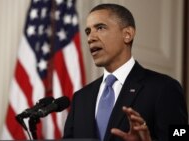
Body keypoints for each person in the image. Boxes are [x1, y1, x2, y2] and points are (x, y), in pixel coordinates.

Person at [63, 3, 188, 141]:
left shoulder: (164, 87)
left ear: (127, 34)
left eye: (100, 28)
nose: (90, 38)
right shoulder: (80, 98)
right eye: (88, 31)